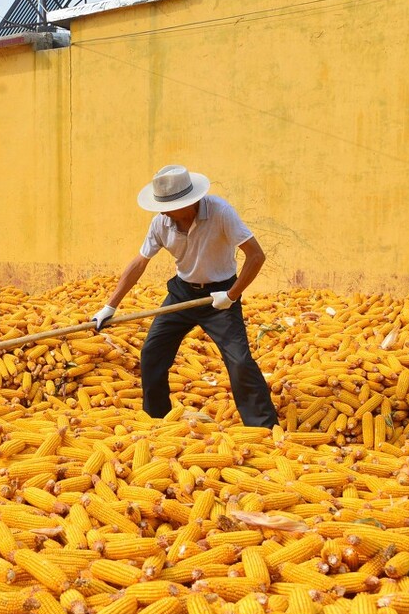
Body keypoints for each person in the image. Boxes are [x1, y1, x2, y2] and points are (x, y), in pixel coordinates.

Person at [92, 165, 279, 427]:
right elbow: (140, 262)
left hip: (221, 294)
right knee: (152, 354)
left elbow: (256, 256)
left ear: (189, 202)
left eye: (168, 205)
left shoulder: (220, 212)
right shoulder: (161, 222)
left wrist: (232, 295)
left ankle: (263, 426)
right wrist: (109, 306)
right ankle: (157, 420)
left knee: (238, 361)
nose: (162, 211)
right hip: (181, 293)